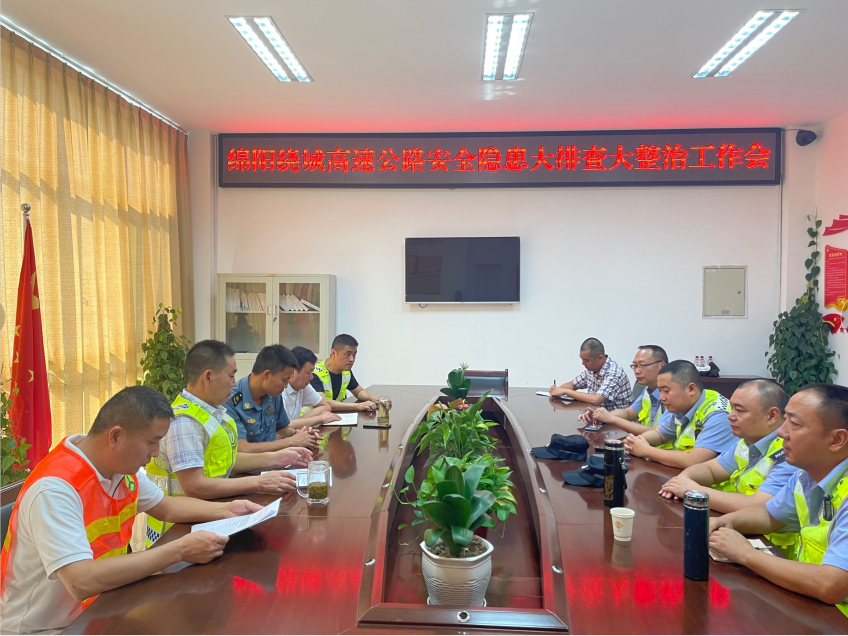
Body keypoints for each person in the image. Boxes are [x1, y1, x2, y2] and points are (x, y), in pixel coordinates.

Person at [0, 386, 264, 635]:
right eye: (152, 442)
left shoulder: (120, 470)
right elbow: (81, 581)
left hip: (100, 607)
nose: (156, 453)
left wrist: (228, 509)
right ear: (116, 436)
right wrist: (180, 550)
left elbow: (166, 507)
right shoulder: (55, 489)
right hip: (45, 629)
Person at [144, 340, 311, 546]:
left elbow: (227, 461)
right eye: (231, 375)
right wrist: (259, 482)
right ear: (208, 377)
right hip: (177, 532)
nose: (234, 383)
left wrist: (277, 458)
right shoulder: (184, 421)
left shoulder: (213, 413)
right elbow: (195, 486)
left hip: (208, 516)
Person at [708, 384, 848, 616]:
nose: (781, 432)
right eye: (785, 421)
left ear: (836, 440)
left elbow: (831, 585)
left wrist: (746, 554)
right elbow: (769, 515)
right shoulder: (806, 475)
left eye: (795, 424)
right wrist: (727, 522)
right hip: (810, 606)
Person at [659, 379, 800, 557]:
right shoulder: (746, 442)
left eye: (739, 411)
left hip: (776, 549)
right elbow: (711, 469)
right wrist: (683, 480)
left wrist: (693, 491)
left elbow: (761, 507)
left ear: (772, 416)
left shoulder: (789, 453)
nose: (730, 416)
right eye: (732, 408)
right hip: (743, 534)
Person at [623, 360, 736, 469]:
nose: (661, 398)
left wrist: (646, 450)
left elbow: (694, 460)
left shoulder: (718, 415)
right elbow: (660, 435)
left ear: (691, 389)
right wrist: (635, 442)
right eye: (660, 391)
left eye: (666, 391)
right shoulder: (686, 404)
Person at [225, 345, 320, 452]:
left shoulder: (273, 394)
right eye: (284, 380)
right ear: (267, 375)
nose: (286, 386)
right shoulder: (229, 400)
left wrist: (298, 434)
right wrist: (291, 441)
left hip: (276, 459)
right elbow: (242, 448)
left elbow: (282, 429)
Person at [579, 345, 669, 437]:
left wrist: (612, 419)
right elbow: (628, 413)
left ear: (662, 366)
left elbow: (659, 433)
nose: (637, 371)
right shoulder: (647, 391)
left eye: (643, 365)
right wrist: (600, 416)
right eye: (635, 366)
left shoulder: (671, 396)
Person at [550, 338, 632, 410]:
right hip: (597, 416)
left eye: (586, 360)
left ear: (600, 358)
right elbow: (573, 384)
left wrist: (566, 391)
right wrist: (557, 389)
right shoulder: (591, 369)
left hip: (617, 420)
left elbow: (596, 400)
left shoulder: (614, 373)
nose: (582, 363)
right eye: (582, 359)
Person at [311, 334, 382, 412]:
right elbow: (323, 403)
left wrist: (372, 398)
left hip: (333, 415)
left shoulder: (346, 372)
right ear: (333, 353)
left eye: (354, 354)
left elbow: (358, 391)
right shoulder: (314, 374)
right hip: (312, 418)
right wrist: (358, 406)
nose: (352, 359)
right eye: (348, 354)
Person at [283, 346, 341, 427]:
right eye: (308, 373)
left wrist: (300, 422)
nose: (311, 377)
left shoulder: (303, 386)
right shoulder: (280, 391)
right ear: (293, 371)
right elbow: (283, 427)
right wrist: (319, 418)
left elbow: (325, 406)